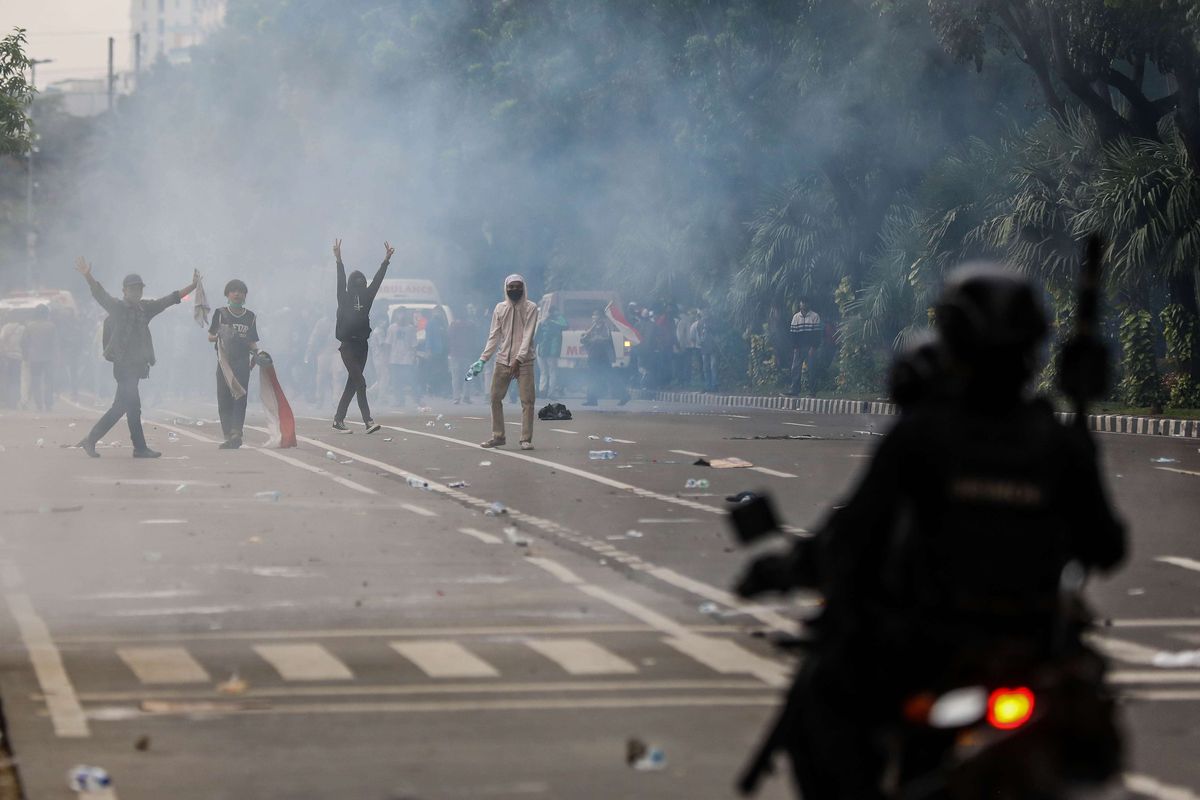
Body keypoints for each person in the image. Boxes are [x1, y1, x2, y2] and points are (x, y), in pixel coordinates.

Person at [737, 263, 1127, 798]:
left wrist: (790, 567)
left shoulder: (922, 436)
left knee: (825, 691)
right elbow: (1108, 547)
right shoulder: (1059, 443)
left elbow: (855, 535)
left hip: (927, 649)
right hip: (1033, 648)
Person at [73, 258, 199, 458]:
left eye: (139, 289)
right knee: (131, 407)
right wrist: (88, 275)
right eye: (132, 289)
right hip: (123, 367)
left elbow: (169, 299)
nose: (136, 292)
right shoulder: (117, 307)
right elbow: (99, 294)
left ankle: (95, 440)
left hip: (137, 367)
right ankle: (135, 447)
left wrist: (192, 286)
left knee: (124, 407)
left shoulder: (145, 308)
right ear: (124, 291)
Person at [469, 274, 538, 450]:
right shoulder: (500, 308)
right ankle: (498, 436)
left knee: (527, 401)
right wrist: (482, 359)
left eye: (517, 286)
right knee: (494, 398)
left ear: (524, 288)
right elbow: (494, 336)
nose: (514, 290)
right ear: (506, 288)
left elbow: (527, 336)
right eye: (511, 287)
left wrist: (518, 360)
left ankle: (525, 439)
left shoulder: (531, 308)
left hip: (524, 361)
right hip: (502, 360)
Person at [332, 238, 393, 434]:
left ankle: (338, 420)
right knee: (361, 382)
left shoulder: (367, 297)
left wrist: (386, 261)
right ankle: (368, 421)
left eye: (361, 284)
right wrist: (339, 260)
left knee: (352, 384)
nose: (359, 287)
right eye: (356, 283)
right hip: (348, 346)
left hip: (362, 346)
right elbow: (341, 281)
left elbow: (377, 281)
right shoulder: (344, 297)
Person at [207, 279, 259, 449]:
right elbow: (210, 337)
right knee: (224, 399)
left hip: (242, 362)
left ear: (245, 296)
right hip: (224, 363)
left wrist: (257, 354)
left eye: (241, 291)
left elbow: (252, 341)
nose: (237, 294)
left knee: (240, 397)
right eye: (233, 291)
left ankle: (237, 432)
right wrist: (221, 335)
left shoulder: (250, 317)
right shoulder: (220, 313)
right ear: (227, 294)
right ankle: (228, 434)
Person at [581, 309, 626, 406]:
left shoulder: (605, 328)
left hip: (602, 357)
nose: (594, 317)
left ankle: (625, 395)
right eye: (593, 315)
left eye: (596, 316)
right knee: (592, 378)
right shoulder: (592, 328)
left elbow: (605, 339)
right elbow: (585, 340)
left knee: (611, 377)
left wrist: (595, 338)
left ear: (601, 318)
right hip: (593, 356)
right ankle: (592, 400)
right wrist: (584, 338)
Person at [20, 305, 57, 411]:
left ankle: (39, 404)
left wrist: (25, 355)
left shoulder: (29, 326)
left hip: (34, 358)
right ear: (46, 314)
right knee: (49, 381)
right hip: (48, 358)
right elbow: (55, 344)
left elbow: (23, 342)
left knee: (36, 381)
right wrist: (57, 357)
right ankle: (48, 403)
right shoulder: (51, 326)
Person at [386, 309, 421, 406]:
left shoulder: (410, 328)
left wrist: (414, 357)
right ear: (396, 315)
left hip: (407, 359)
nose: (401, 316)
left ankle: (417, 399)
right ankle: (400, 400)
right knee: (396, 382)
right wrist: (387, 358)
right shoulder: (391, 328)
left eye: (403, 314)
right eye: (399, 314)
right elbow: (388, 344)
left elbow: (414, 344)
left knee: (411, 380)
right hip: (394, 359)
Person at [787, 298, 821, 395]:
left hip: (811, 348)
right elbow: (793, 334)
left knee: (812, 369)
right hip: (799, 348)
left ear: (809, 304)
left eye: (806, 303)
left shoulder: (815, 316)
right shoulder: (796, 317)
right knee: (795, 369)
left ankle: (812, 391)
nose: (804, 305)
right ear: (800, 304)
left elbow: (817, 334)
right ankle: (794, 390)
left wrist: (813, 347)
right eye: (803, 303)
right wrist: (795, 347)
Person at [535, 301, 568, 398]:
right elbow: (566, 325)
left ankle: (542, 391)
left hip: (541, 350)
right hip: (552, 352)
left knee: (543, 372)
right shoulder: (557, 323)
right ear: (555, 313)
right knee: (552, 371)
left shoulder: (542, 322)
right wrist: (560, 316)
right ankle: (551, 392)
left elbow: (536, 337)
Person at [448, 304, 480, 404]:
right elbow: (474, 339)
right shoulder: (471, 325)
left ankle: (456, 397)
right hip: (467, 354)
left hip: (455, 354)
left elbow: (449, 339)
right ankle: (466, 396)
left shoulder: (453, 325)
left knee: (455, 377)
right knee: (468, 376)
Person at [691, 310, 719, 392]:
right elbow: (699, 335)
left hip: (713, 347)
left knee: (713, 366)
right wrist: (700, 343)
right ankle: (708, 385)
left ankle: (715, 385)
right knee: (705, 368)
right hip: (704, 348)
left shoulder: (713, 321)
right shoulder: (699, 323)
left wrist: (709, 327)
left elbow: (717, 331)